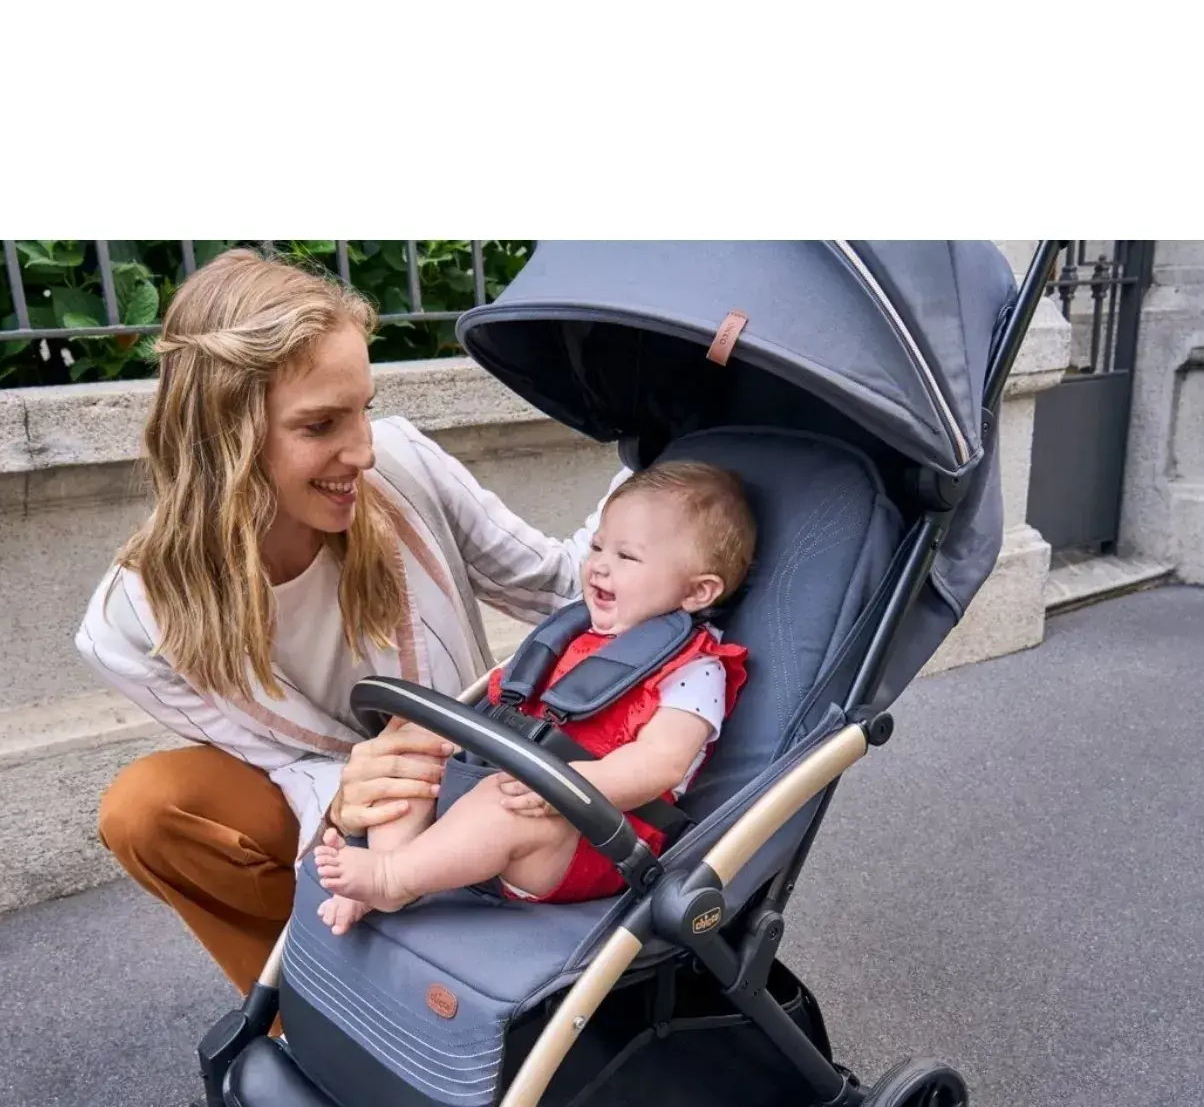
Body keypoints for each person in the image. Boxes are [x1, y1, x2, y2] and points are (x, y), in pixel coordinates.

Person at [75, 248, 610, 997]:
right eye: (321, 424)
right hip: (338, 824)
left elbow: (560, 584)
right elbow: (276, 761)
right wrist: (347, 794)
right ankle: (307, 1007)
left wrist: (666, 452)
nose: (361, 450)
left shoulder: (402, 467)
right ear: (225, 435)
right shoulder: (131, 626)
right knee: (148, 810)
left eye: (363, 408)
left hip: (483, 797)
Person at [313, 461, 752, 930]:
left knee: (499, 804)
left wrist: (563, 786)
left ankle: (392, 878)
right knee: (412, 745)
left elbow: (660, 763)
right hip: (507, 781)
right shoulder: (576, 633)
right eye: (597, 546)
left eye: (627, 556)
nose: (600, 564)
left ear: (697, 591)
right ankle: (391, 865)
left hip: (586, 838)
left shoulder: (695, 669)